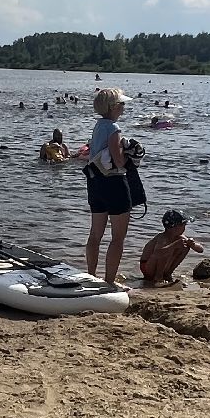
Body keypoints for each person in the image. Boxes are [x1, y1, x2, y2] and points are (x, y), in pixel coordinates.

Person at [84, 87, 134, 287]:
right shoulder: (114, 129)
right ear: (114, 107)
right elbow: (119, 161)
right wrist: (130, 155)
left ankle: (90, 274)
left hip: (95, 183)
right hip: (114, 183)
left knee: (95, 234)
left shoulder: (98, 126)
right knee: (118, 238)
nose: (124, 107)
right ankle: (109, 281)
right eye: (122, 104)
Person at [138, 210, 204, 287]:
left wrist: (192, 244)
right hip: (148, 266)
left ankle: (168, 274)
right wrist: (174, 245)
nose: (184, 228)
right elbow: (157, 253)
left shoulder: (180, 237)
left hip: (160, 266)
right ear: (173, 227)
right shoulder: (162, 238)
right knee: (166, 251)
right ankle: (158, 277)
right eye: (183, 225)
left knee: (185, 247)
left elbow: (201, 250)